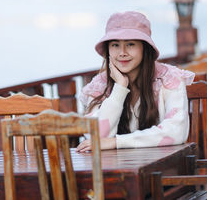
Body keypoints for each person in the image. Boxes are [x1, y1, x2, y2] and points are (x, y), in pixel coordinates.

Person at [76, 11, 195, 152]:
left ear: (145, 48)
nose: (122, 52)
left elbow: (176, 132)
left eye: (130, 44)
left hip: (163, 169)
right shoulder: (100, 85)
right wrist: (119, 88)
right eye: (115, 45)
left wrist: (117, 142)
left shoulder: (169, 79)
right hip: (116, 169)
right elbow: (95, 136)